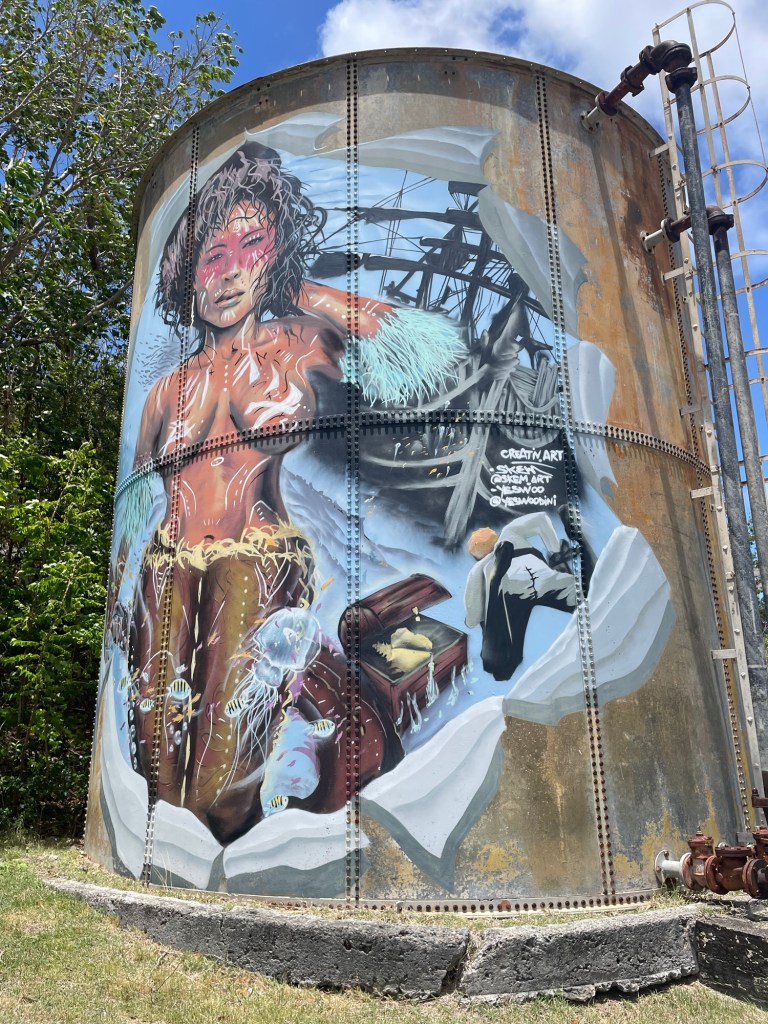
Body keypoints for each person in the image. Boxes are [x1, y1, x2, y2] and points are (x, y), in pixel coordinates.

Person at [110, 142, 464, 843]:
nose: (230, 271)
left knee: (224, 779)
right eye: (213, 255)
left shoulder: (298, 341)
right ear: (187, 271)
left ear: (276, 253)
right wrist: (124, 600)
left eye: (252, 245)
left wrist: (293, 285)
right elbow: (134, 510)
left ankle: (243, 859)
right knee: (155, 763)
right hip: (163, 572)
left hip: (257, 562)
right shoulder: (164, 392)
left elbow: (423, 351)